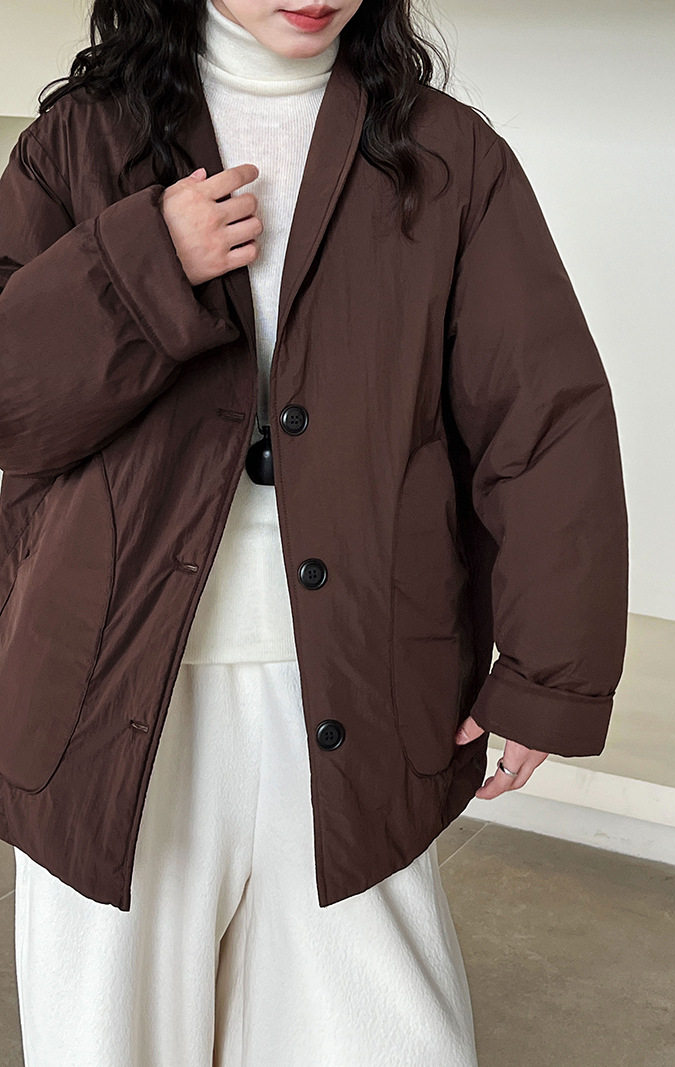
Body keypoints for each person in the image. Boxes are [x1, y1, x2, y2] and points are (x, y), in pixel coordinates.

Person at [0, 0, 629, 1063]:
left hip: (356, 676)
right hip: (105, 684)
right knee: (112, 1041)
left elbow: (542, 417)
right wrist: (146, 261)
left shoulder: (446, 157)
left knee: (387, 1035)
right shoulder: (82, 143)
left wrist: (549, 670)